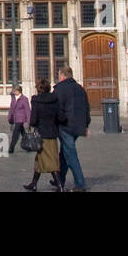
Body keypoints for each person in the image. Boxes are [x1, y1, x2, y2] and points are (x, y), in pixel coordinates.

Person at [52, 63, 91, 192]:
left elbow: (57, 109)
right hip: (78, 126)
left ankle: (80, 183)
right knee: (65, 152)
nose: (58, 78)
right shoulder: (80, 89)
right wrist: (86, 125)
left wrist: (59, 121)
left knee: (70, 154)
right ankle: (59, 179)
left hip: (66, 126)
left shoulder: (59, 89)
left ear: (62, 76)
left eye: (59, 75)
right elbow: (86, 108)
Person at [24, 78, 66, 191]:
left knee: (51, 162)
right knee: (40, 160)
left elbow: (33, 121)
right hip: (52, 134)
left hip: (41, 135)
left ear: (38, 89)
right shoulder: (55, 100)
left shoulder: (36, 101)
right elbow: (61, 118)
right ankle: (33, 184)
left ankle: (60, 186)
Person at [6, 84, 30, 156]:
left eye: (15, 90)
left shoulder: (24, 99)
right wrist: (9, 117)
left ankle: (11, 147)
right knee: (23, 133)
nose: (14, 92)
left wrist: (29, 121)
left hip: (21, 118)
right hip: (15, 118)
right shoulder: (13, 98)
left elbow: (27, 110)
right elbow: (11, 109)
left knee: (15, 133)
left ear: (19, 91)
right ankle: (28, 146)